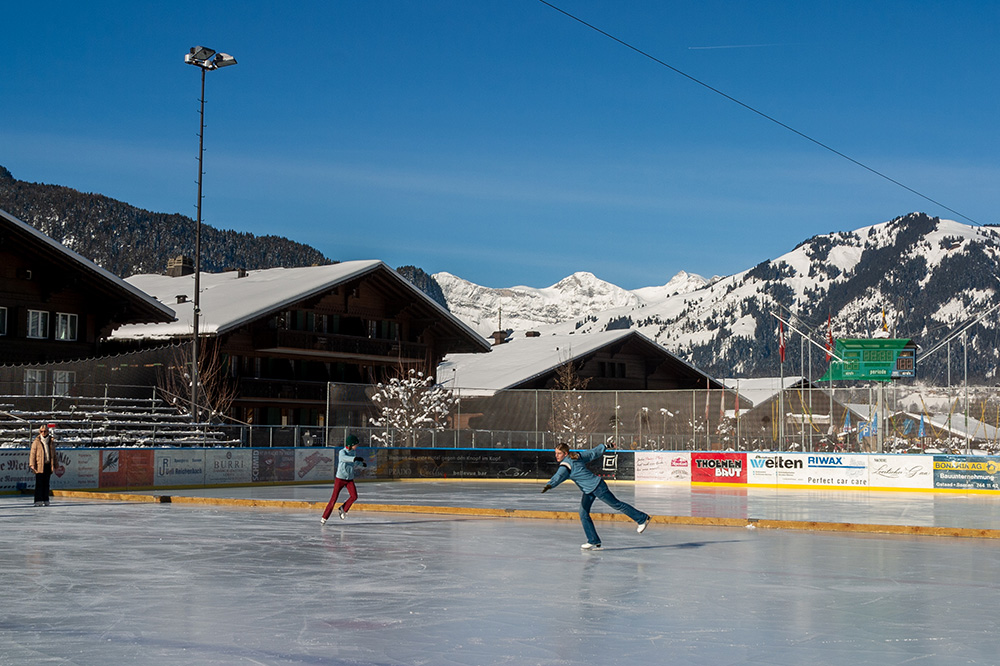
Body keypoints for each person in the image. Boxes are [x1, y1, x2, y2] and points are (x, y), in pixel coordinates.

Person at [541, 442, 650, 550]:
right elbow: (593, 452)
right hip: (588, 490)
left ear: (565, 453)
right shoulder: (577, 456)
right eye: (555, 453)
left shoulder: (566, 465)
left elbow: (559, 476)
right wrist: (606, 446)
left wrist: (549, 485)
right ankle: (593, 540)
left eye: (559, 453)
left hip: (598, 487)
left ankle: (642, 518)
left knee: (617, 504)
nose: (556, 456)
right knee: (583, 513)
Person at [320, 435, 367, 524]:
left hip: (349, 479)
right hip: (340, 479)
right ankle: (324, 517)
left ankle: (343, 509)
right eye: (355, 445)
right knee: (333, 499)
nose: (356, 446)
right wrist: (355, 458)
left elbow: (354, 463)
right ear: (351, 444)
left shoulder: (353, 452)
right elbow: (345, 459)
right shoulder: (342, 452)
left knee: (354, 496)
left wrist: (361, 464)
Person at [29, 424, 56, 507]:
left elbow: (54, 454)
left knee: (46, 483)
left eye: (45, 431)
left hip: (47, 464)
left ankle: (45, 499)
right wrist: (32, 464)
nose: (43, 433)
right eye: (41, 431)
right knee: (39, 483)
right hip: (39, 465)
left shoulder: (51, 441)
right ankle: (38, 500)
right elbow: (32, 454)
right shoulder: (36, 442)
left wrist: (56, 464)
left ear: (47, 431)